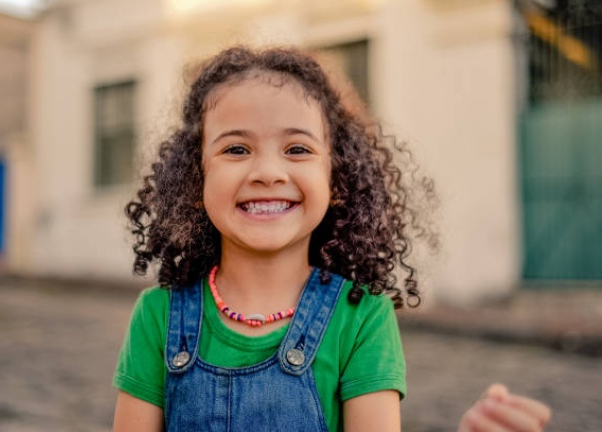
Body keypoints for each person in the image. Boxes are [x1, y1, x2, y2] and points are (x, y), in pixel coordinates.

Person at [112, 46, 551, 431]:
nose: (268, 172)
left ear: (336, 179)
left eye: (297, 149)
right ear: (195, 179)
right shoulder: (158, 316)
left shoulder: (362, 318)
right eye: (236, 149)